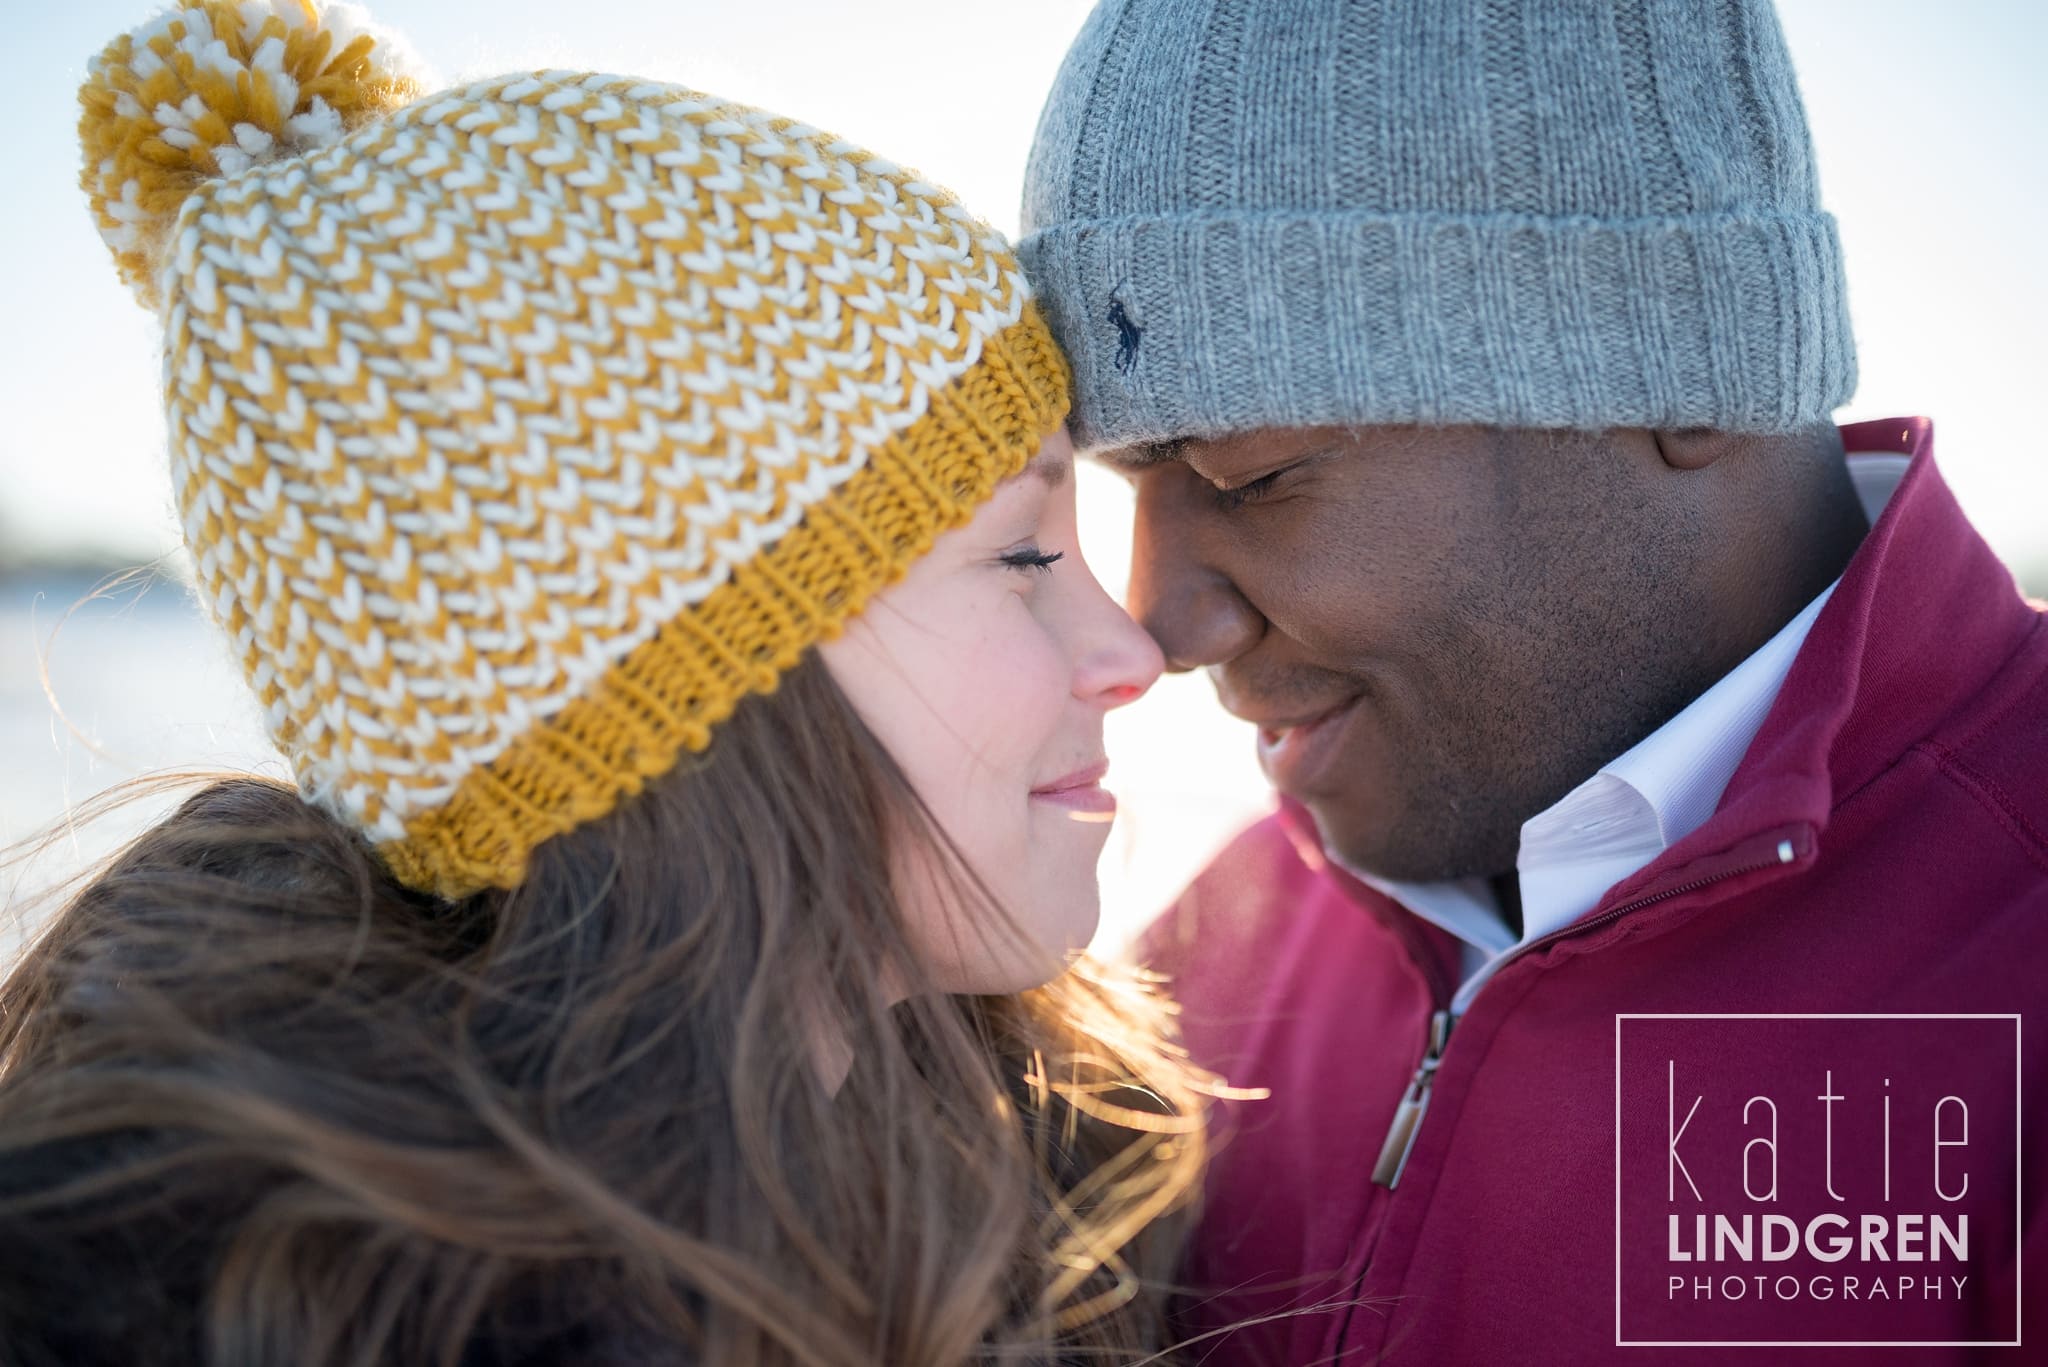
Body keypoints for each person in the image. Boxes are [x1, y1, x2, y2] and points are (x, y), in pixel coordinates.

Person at [0, 2, 1209, 1363]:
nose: (1135, 653)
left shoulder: (1069, 1200)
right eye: (1026, 551)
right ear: (677, 691)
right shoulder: (156, 1311)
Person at [1018, 0, 2045, 1362]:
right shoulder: (1214, 962)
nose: (1163, 625)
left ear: (1686, 368)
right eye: (1124, 494)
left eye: (1255, 478)